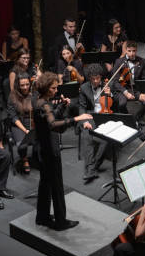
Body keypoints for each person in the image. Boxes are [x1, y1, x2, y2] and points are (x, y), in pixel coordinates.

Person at [34, 71, 89, 230]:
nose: (56, 91)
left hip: (42, 148)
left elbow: (51, 117)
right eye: (53, 88)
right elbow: (53, 125)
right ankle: (61, 221)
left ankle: (42, 216)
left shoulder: (40, 101)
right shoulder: (44, 104)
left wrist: (61, 106)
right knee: (57, 186)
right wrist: (75, 119)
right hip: (50, 150)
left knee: (45, 183)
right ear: (46, 88)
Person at [77, 64, 115, 181]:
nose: (95, 81)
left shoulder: (108, 85)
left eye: (97, 78)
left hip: (105, 115)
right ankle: (91, 168)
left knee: (105, 139)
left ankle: (92, 167)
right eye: (93, 79)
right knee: (87, 133)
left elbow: (119, 104)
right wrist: (84, 121)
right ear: (89, 78)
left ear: (101, 77)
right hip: (91, 115)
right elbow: (82, 107)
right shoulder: (84, 88)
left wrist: (110, 95)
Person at [110, 41, 145, 120]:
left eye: (134, 51)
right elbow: (115, 81)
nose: (132, 53)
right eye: (129, 51)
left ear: (136, 50)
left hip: (135, 90)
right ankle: (125, 119)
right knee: (122, 103)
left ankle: (135, 118)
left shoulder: (142, 61)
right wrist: (125, 92)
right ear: (125, 50)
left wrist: (142, 92)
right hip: (122, 89)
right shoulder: (119, 61)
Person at [7, 72, 36, 174]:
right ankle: (25, 160)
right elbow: (13, 117)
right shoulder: (12, 96)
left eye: (27, 84)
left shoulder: (33, 93)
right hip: (18, 125)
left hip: (32, 122)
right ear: (18, 85)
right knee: (22, 145)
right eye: (22, 85)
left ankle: (36, 156)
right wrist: (25, 130)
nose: (25, 87)